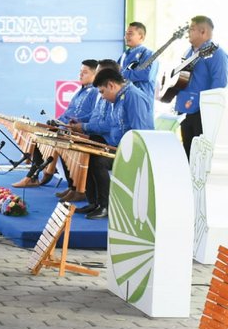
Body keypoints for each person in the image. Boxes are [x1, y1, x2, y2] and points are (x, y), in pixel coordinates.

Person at [12, 59, 99, 191]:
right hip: (66, 128)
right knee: (38, 134)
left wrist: (72, 123)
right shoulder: (80, 92)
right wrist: (56, 121)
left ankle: (41, 176)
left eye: (85, 73)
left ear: (95, 75)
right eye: (80, 72)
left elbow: (93, 116)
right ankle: (36, 175)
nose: (80, 75)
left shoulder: (96, 92)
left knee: (50, 137)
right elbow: (68, 113)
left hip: (78, 132)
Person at [81, 68, 154, 219]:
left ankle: (105, 206)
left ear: (111, 85)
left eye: (102, 92)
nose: (102, 97)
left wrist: (119, 150)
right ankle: (94, 202)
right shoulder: (120, 97)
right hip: (116, 146)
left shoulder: (133, 97)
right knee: (88, 151)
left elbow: (139, 133)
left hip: (134, 152)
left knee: (98, 161)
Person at [175, 15, 228, 159]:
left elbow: (219, 84)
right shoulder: (188, 52)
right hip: (186, 110)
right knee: (188, 154)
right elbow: (183, 79)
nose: (188, 33)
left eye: (191, 29)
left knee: (200, 158)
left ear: (203, 31)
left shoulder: (217, 53)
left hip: (203, 112)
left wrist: (207, 108)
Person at [119, 21, 159, 102]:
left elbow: (146, 75)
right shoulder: (124, 55)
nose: (126, 36)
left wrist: (122, 74)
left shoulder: (149, 54)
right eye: (126, 33)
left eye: (130, 34)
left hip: (141, 100)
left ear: (141, 37)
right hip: (125, 99)